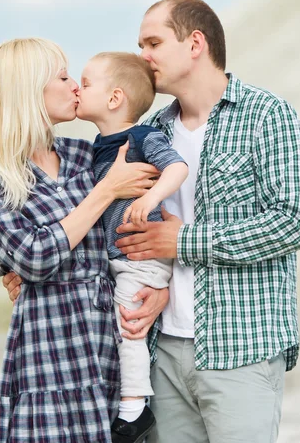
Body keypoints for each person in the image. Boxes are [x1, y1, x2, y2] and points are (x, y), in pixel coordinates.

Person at [114, 0, 300, 443]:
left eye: (153, 42)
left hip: (241, 349)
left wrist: (183, 242)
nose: (142, 56)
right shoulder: (152, 132)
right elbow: (131, 227)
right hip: (162, 354)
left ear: (195, 43)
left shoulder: (267, 116)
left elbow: (294, 221)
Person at [0, 37, 167, 443]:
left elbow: (137, 220)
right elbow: (32, 259)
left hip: (110, 342)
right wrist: (105, 191)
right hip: (47, 351)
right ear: (29, 88)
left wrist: (159, 285)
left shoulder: (84, 153)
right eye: (64, 76)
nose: (76, 86)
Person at [75, 51, 188, 442]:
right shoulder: (96, 147)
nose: (77, 87)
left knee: (129, 328)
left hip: (141, 256)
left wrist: (149, 198)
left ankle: (133, 410)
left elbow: (176, 167)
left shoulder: (140, 137)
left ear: (114, 98)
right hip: (118, 258)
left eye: (86, 83)